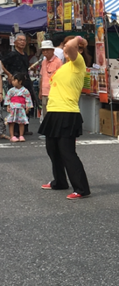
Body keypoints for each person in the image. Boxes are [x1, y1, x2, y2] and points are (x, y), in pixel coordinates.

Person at [38, 36, 91, 200]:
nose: (71, 51)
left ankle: (81, 188)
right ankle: (59, 181)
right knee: (52, 149)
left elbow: (68, 46)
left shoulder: (78, 63)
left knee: (67, 152)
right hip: (54, 111)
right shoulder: (65, 66)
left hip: (67, 112)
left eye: (78, 48)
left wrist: (79, 39)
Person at [0, 33, 36, 136]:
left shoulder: (24, 54)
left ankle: (24, 128)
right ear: (15, 42)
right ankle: (15, 129)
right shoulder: (12, 54)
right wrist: (9, 74)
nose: (22, 42)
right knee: (15, 105)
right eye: (20, 40)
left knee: (26, 105)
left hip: (25, 82)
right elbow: (1, 63)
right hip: (15, 83)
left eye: (24, 40)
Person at [38, 40, 63, 123]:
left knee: (54, 113)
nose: (45, 52)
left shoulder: (58, 61)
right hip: (45, 91)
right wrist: (40, 90)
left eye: (47, 49)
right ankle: (47, 133)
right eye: (43, 50)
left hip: (54, 92)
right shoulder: (43, 62)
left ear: (52, 50)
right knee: (45, 113)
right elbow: (42, 76)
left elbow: (61, 78)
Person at [4, 72, 33, 142]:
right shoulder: (11, 90)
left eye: (14, 80)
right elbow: (8, 98)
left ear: (20, 82)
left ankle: (21, 135)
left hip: (21, 108)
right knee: (11, 122)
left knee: (21, 122)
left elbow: (28, 99)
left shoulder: (25, 91)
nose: (12, 82)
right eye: (12, 80)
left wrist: (27, 107)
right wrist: (8, 106)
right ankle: (12, 136)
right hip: (13, 107)